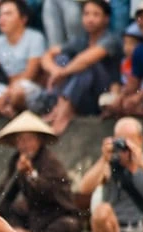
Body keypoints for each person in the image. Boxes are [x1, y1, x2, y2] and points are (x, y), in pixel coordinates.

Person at [0, 111, 82, 232]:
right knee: (7, 210)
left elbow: (48, 193)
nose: (24, 144)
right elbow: (6, 194)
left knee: (69, 225)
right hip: (34, 216)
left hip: (55, 214)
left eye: (28, 139)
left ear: (38, 140)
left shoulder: (50, 162)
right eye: (20, 140)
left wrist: (30, 174)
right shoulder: (16, 160)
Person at [40, 0, 122, 134]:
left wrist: (61, 73)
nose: (90, 19)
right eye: (87, 14)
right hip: (83, 96)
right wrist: (54, 70)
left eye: (96, 15)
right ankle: (59, 106)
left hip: (103, 97)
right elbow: (48, 55)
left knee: (86, 66)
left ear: (106, 19)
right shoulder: (81, 40)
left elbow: (87, 59)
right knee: (62, 60)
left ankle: (63, 112)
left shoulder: (111, 40)